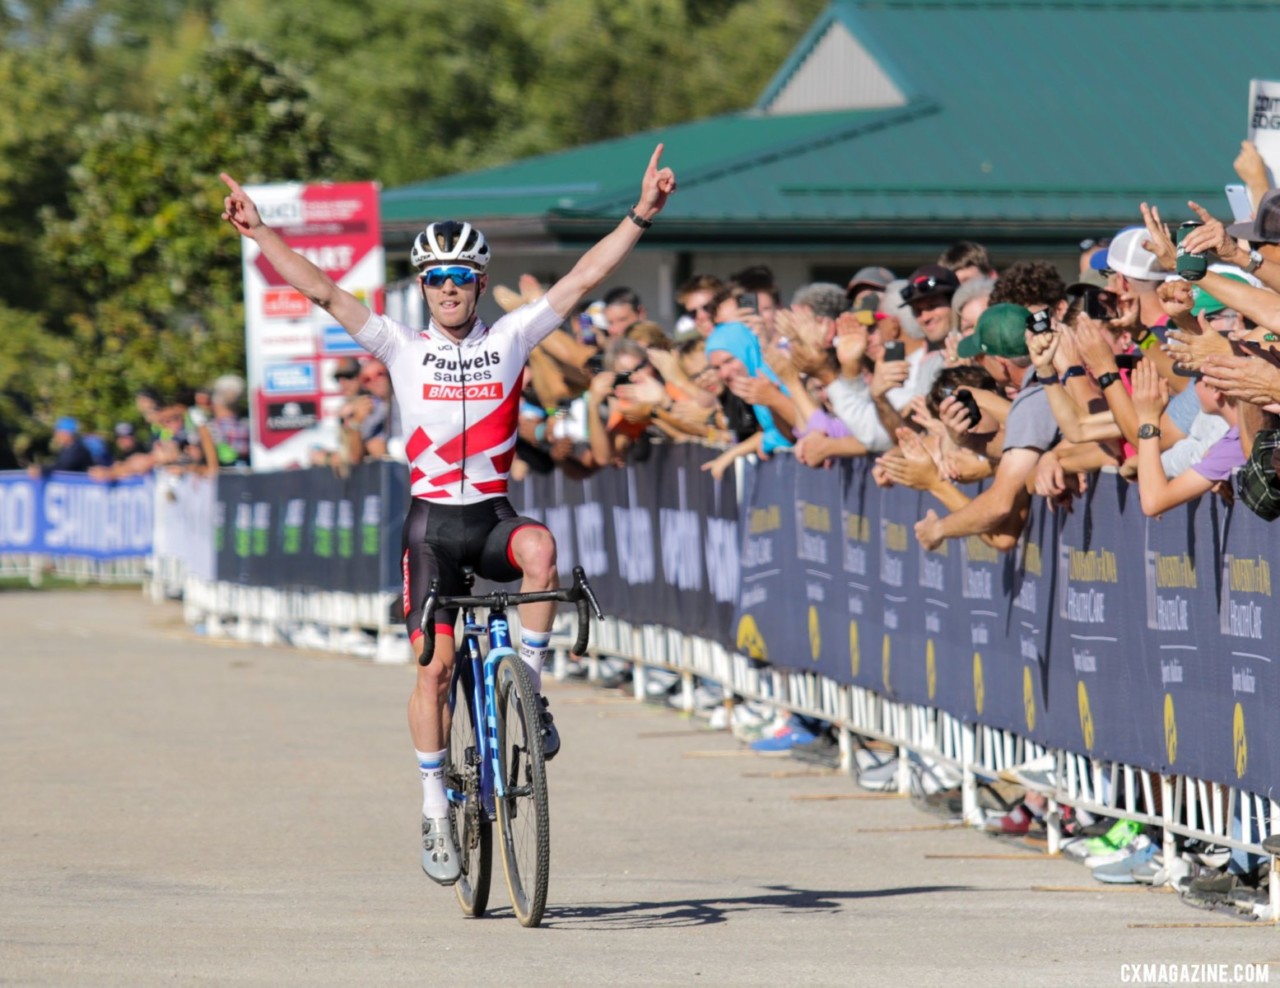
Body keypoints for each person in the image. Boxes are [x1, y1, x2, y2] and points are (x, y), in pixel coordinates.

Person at [220, 144, 676, 887]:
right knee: (432, 673)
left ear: (480, 283)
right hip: (432, 527)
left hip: (491, 516)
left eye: (460, 278)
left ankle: (529, 688)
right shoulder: (399, 344)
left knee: (543, 551)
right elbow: (325, 292)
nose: (448, 291)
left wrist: (640, 216)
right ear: (423, 287)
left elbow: (584, 275)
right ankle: (434, 802)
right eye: (435, 280)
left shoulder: (510, 337)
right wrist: (263, 233)